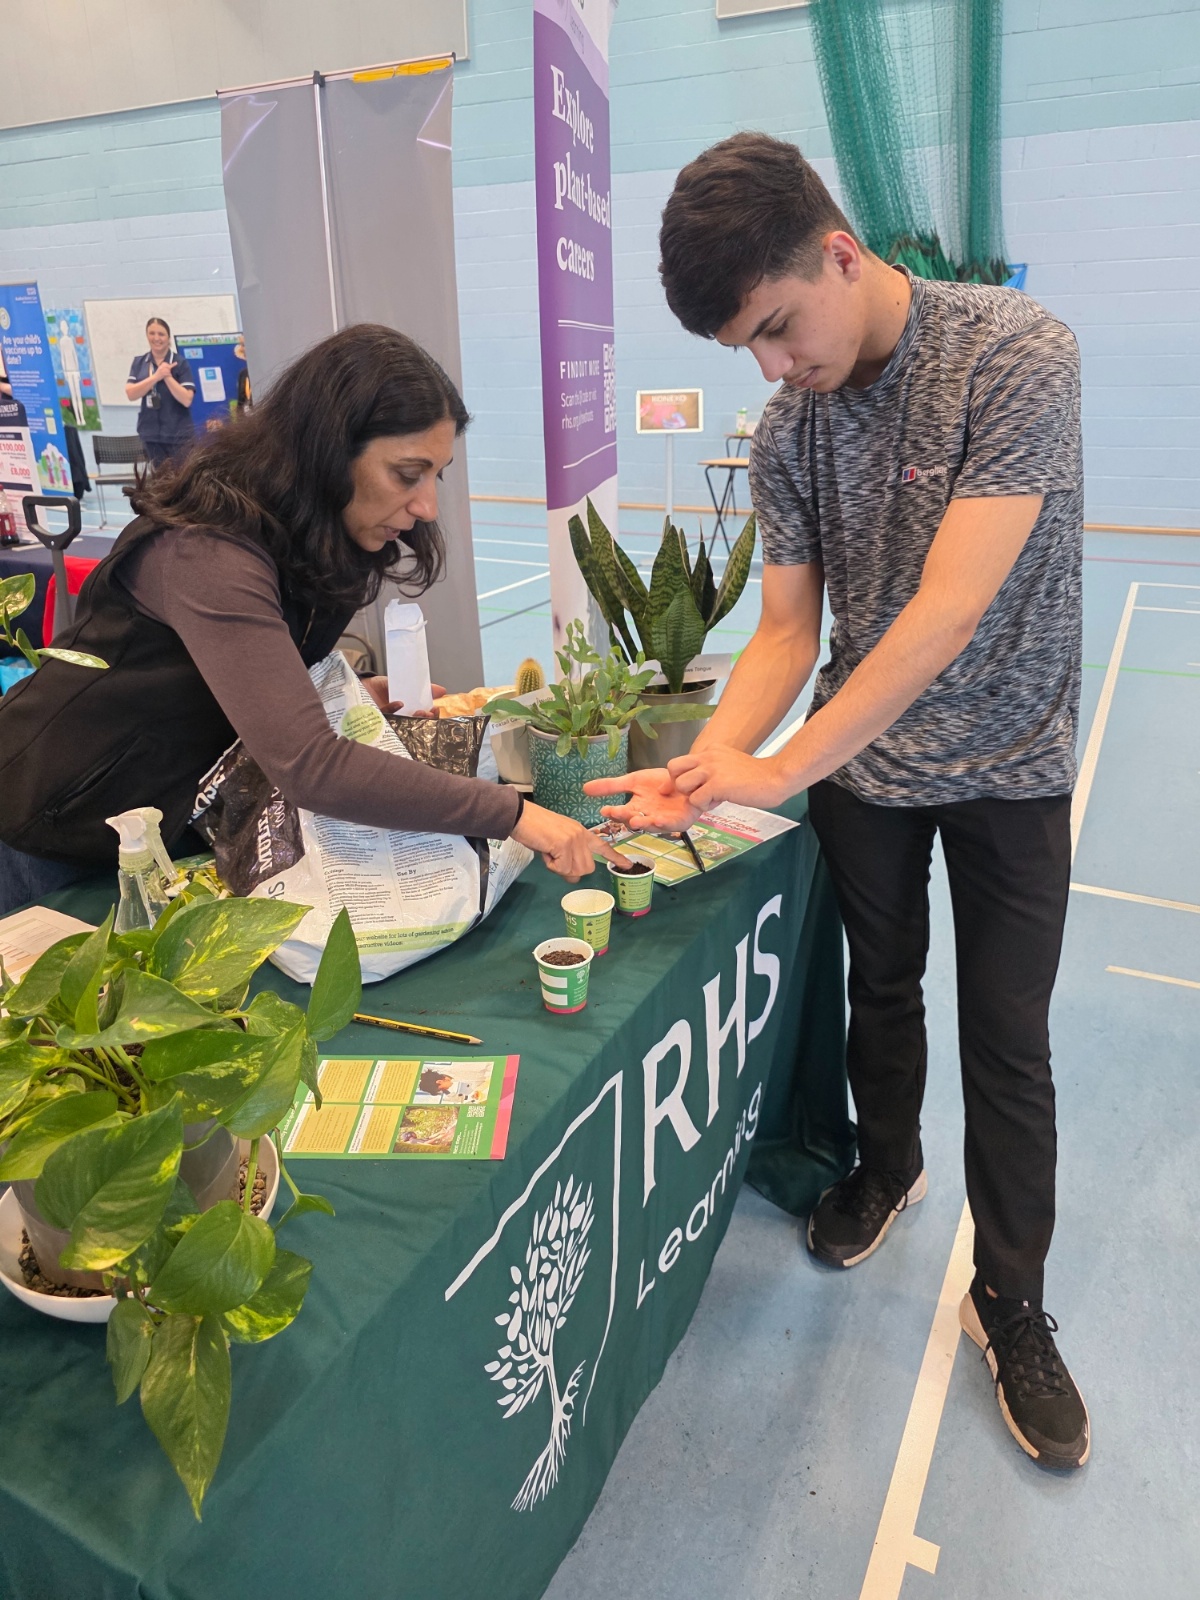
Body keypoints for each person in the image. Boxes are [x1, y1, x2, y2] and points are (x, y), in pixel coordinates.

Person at [587, 133, 1089, 1470]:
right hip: (869, 780)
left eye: (775, 326)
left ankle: (1013, 1299)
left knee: (1010, 1039)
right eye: (744, 347)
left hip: (1013, 768)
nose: (770, 366)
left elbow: (948, 609)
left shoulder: (1016, 353)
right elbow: (782, 634)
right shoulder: (792, 431)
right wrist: (708, 764)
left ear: (840, 255)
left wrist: (781, 768)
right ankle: (886, 1163)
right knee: (882, 987)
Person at [0, 323, 622, 912]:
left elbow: (249, 679)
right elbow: (309, 766)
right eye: (408, 474)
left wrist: (338, 695)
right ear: (328, 449)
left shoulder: (324, 535)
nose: (428, 505)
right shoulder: (205, 551)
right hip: (49, 819)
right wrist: (513, 814)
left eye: (437, 474)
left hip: (167, 824)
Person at [124, 316, 196, 468]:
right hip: (151, 435)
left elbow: (187, 399)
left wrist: (167, 376)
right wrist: (156, 377)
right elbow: (131, 393)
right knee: (159, 477)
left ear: (168, 338)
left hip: (178, 435)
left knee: (181, 476)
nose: (156, 338)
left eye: (161, 334)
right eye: (152, 333)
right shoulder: (139, 362)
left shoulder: (180, 363)